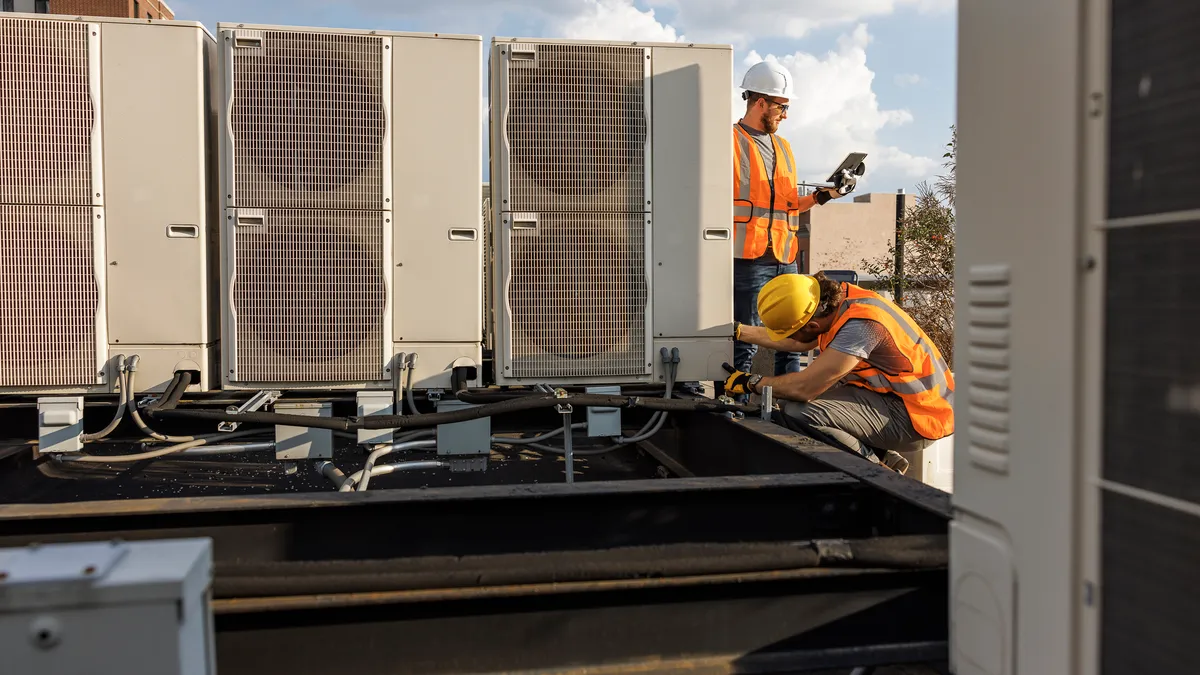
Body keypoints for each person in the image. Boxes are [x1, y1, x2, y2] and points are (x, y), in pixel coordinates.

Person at [722, 272, 955, 474]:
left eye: (790, 332)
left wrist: (752, 382)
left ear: (812, 326)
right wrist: (739, 331)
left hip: (919, 417)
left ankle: (880, 475)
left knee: (799, 413)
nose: (788, 337)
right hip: (896, 399)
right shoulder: (835, 303)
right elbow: (800, 342)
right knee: (793, 404)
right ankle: (885, 458)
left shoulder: (860, 325)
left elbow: (804, 388)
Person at [732, 60, 846, 389]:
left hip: (786, 256)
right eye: (782, 106)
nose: (785, 114)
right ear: (760, 102)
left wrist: (824, 197)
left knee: (796, 335)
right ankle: (734, 404)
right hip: (748, 258)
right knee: (746, 337)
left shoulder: (784, 147)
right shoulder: (728, 141)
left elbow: (788, 205)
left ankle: (786, 405)